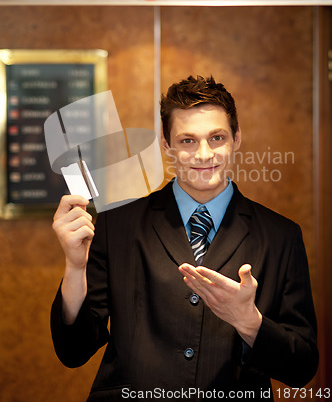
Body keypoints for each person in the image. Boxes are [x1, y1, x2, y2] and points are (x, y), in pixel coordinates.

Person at [51, 75, 318, 401]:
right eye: (188, 140)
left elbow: (302, 367)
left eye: (216, 138)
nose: (204, 154)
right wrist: (75, 267)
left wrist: (250, 323)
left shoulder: (282, 236)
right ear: (166, 145)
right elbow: (73, 351)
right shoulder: (115, 225)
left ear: (236, 138)